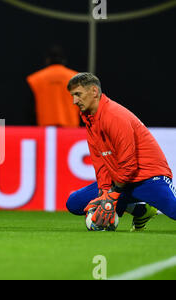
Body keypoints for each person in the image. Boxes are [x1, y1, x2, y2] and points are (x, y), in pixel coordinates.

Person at [65, 72, 176, 231]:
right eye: (72, 96)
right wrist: (105, 192)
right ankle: (142, 211)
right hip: (122, 181)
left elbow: (129, 164)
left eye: (78, 94)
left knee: (174, 211)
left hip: (148, 177)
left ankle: (138, 205)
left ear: (94, 91)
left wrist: (113, 195)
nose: (74, 101)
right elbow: (100, 162)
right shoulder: (90, 119)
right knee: (74, 203)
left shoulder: (114, 116)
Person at [26, 45, 80, 127]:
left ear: (47, 60)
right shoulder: (76, 78)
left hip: (45, 130)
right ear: (64, 60)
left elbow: (29, 109)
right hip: (71, 130)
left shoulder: (34, 79)